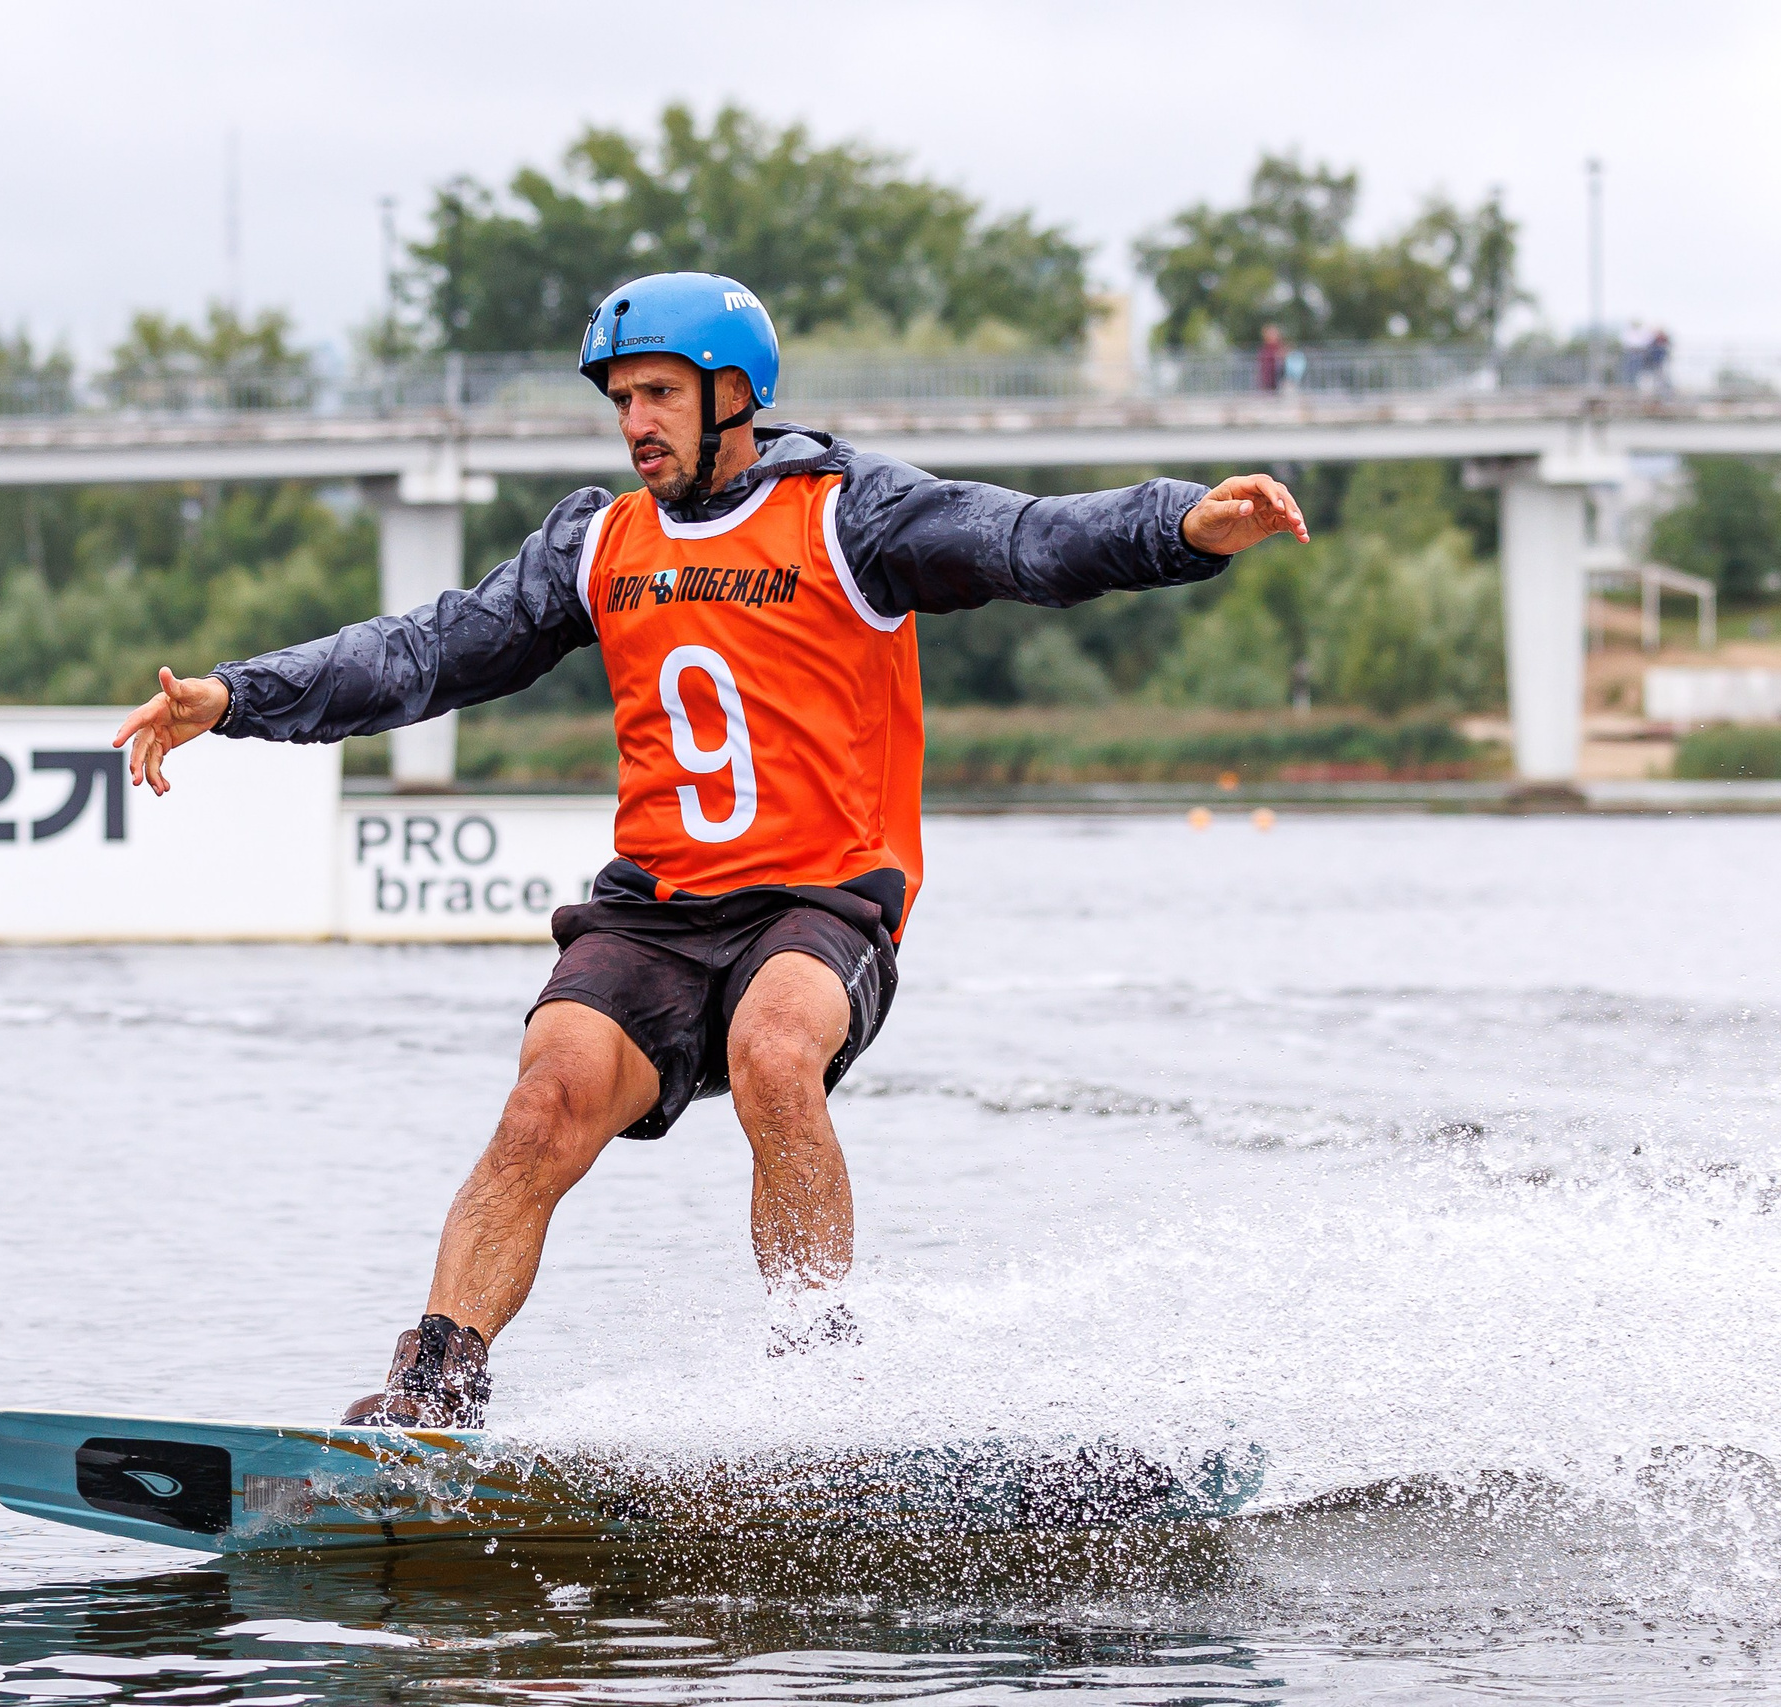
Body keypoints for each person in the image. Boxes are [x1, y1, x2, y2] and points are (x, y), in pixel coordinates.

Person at [112, 272, 1307, 1427]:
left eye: (658, 395)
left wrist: (1180, 525)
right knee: (544, 1101)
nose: (633, 422)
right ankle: (434, 1393)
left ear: (732, 394)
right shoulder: (595, 543)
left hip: (821, 902)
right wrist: (239, 695)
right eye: (619, 399)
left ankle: (816, 1384)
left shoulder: (851, 513)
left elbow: (1027, 540)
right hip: (655, 910)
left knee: (773, 1052)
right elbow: (425, 652)